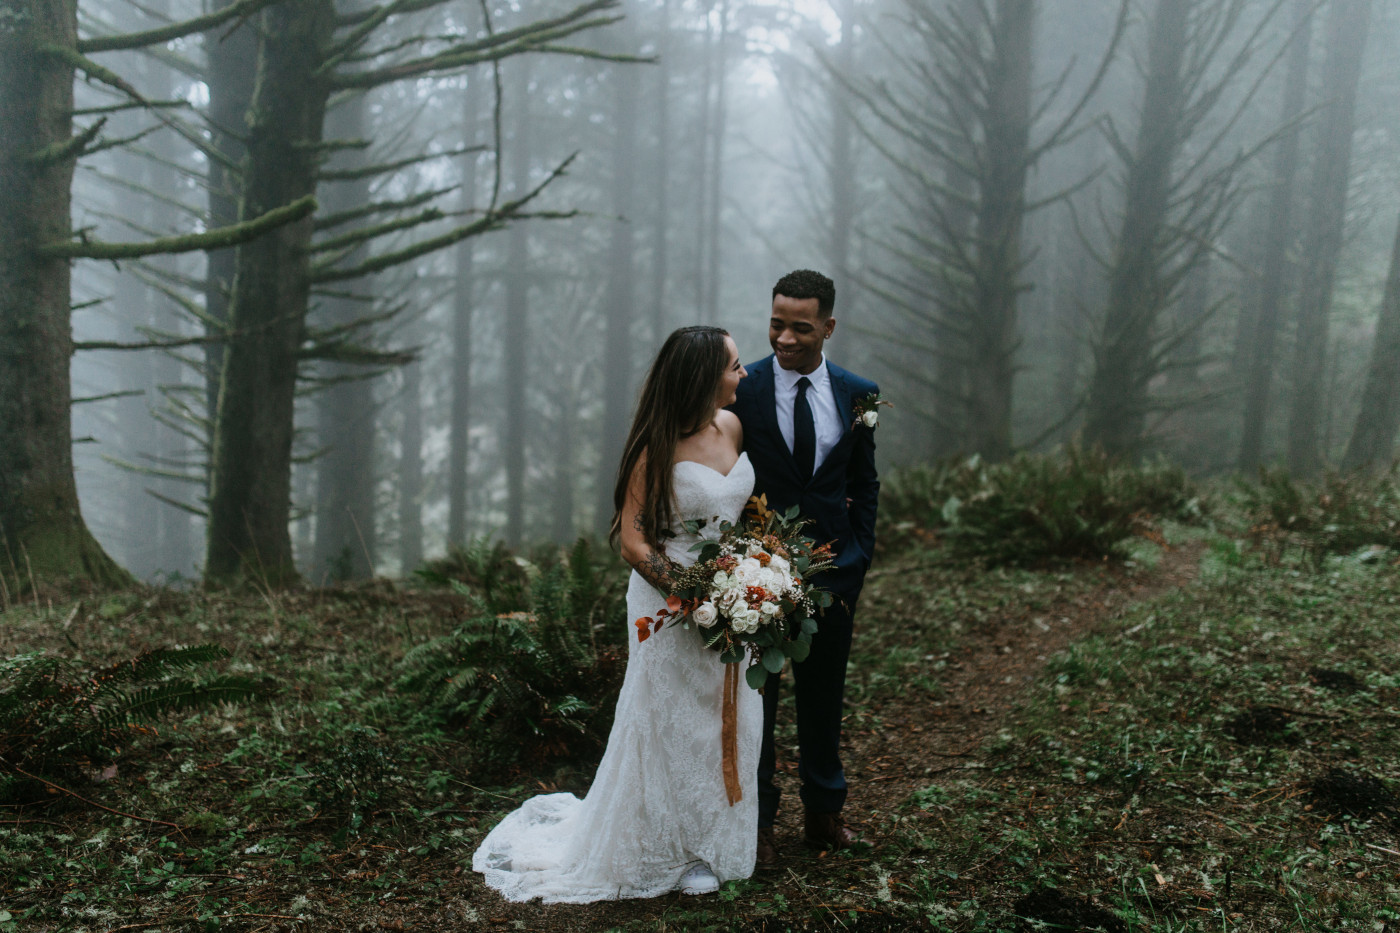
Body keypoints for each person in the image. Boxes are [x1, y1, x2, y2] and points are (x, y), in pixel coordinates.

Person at [473, 325, 761, 903]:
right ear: (705, 376)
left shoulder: (731, 425)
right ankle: (670, 850)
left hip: (735, 596)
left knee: (733, 716)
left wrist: (752, 581)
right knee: (671, 723)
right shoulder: (655, 448)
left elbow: (739, 515)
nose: (744, 373)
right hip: (670, 606)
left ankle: (717, 840)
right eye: (733, 364)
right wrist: (695, 596)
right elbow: (633, 543)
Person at [728, 269, 880, 864]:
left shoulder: (859, 393)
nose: (784, 338)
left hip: (835, 572)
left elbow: (863, 482)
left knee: (824, 695)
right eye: (775, 323)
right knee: (757, 702)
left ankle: (824, 812)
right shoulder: (743, 390)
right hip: (758, 575)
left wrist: (859, 554)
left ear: (829, 327)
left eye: (800, 326)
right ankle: (759, 823)